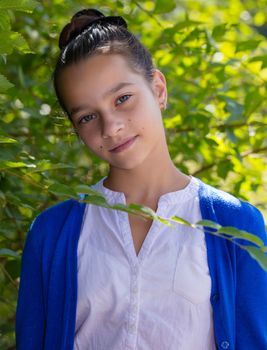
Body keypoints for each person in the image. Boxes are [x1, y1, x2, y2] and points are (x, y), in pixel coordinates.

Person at [16, 8, 267, 350]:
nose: (111, 127)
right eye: (88, 116)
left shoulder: (236, 222)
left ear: (158, 89)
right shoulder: (50, 233)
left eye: (122, 99)